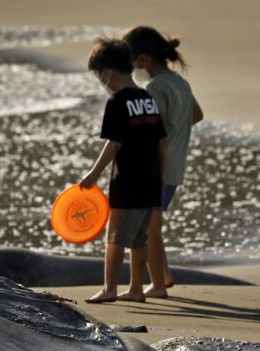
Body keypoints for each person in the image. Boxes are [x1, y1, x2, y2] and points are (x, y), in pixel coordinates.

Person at [77, 38, 167, 304]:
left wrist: (93, 174)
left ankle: (109, 288)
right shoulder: (147, 98)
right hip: (152, 180)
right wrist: (161, 176)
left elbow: (113, 144)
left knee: (115, 237)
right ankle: (137, 288)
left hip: (127, 180)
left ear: (107, 73)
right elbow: (163, 141)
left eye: (98, 76)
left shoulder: (117, 102)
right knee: (139, 239)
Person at [123, 25, 203, 298]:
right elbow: (197, 115)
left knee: (149, 230)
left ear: (142, 59)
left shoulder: (155, 88)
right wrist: (177, 128)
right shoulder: (181, 83)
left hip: (158, 168)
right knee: (155, 226)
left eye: (131, 62)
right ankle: (164, 276)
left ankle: (157, 285)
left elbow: (153, 135)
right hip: (175, 166)